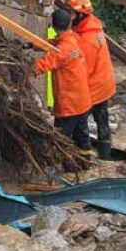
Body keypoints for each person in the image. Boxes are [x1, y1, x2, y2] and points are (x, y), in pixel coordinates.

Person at [35, 9, 93, 153]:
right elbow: (56, 43)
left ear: (53, 27)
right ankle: (84, 164)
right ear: (69, 23)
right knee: (82, 136)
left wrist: (21, 68)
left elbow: (44, 64)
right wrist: (33, 44)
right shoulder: (73, 39)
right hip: (83, 100)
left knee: (60, 139)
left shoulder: (63, 49)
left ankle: (62, 168)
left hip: (69, 104)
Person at [68, 0, 117, 160]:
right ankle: (105, 155)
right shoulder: (91, 26)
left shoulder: (87, 40)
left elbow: (83, 70)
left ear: (81, 15)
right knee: (102, 120)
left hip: (95, 85)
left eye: (71, 13)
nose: (69, 16)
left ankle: (85, 156)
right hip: (104, 81)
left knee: (80, 122)